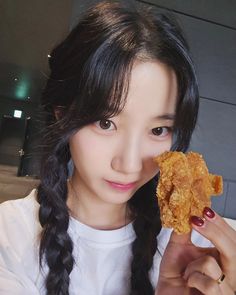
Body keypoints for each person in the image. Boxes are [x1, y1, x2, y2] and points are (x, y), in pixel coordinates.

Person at [0, 1, 235, 294]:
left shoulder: (201, 252)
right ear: (63, 114)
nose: (130, 165)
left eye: (158, 130)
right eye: (105, 123)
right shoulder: (9, 239)